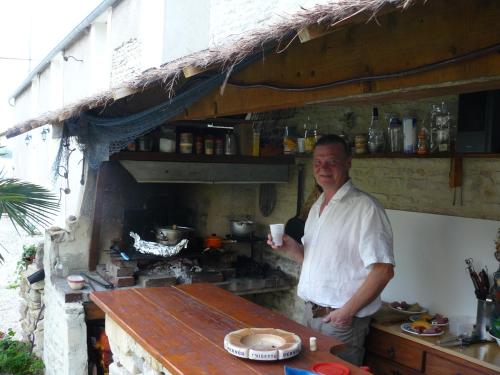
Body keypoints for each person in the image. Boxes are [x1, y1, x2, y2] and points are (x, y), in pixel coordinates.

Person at [268, 134, 395, 366]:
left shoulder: (365, 208)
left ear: (348, 163)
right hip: (310, 314)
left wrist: (346, 312)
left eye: (331, 161)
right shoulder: (318, 206)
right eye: (318, 162)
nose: (323, 168)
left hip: (340, 322)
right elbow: (313, 260)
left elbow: (383, 271)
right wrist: (290, 247)